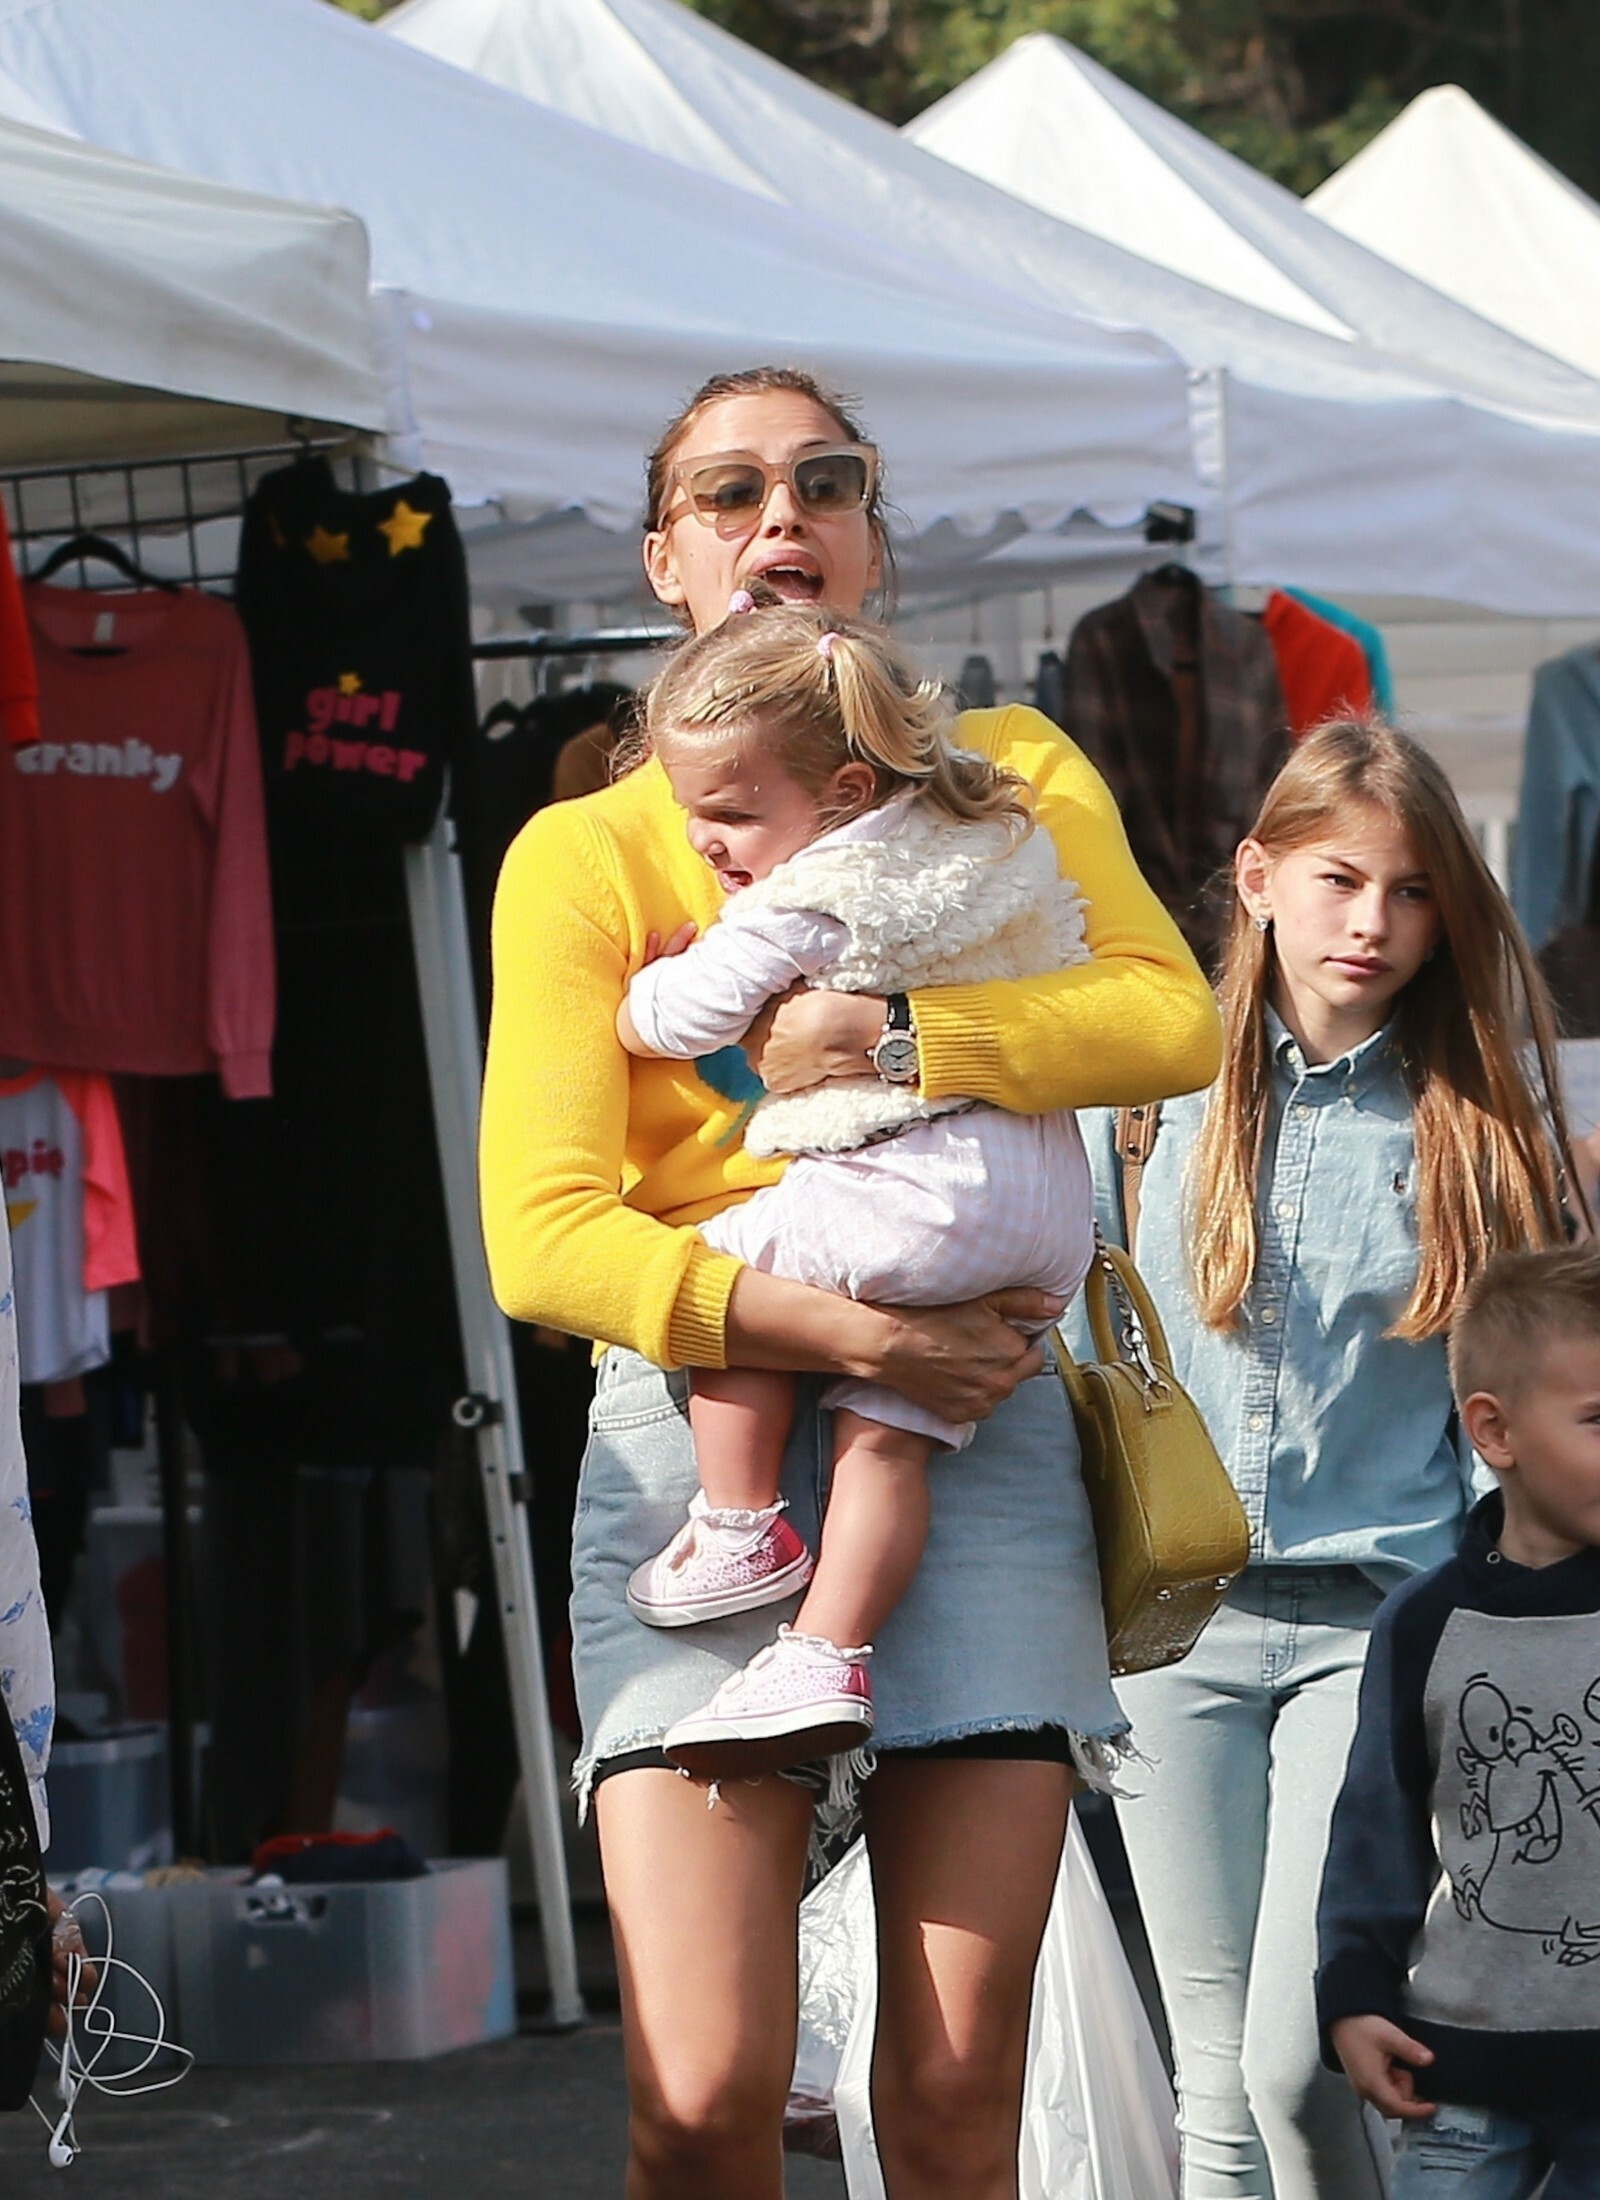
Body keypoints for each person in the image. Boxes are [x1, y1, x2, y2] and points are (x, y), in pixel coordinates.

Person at [479, 364, 1220, 2200]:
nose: (781, 515)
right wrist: (868, 1331)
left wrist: (892, 1031)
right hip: (714, 1439)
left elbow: (1167, 1018)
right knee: (704, 2099)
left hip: (980, 1440)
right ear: (664, 559)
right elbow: (542, 1235)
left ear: (874, 539)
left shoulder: (1007, 766)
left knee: (961, 2101)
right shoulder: (585, 848)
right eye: (728, 491)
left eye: (826, 478)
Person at [1078, 717, 1576, 2199]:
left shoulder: (1479, 1123)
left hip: (1379, 1628)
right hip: (1169, 1632)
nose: (1373, 921)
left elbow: (1520, 1414)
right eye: (1341, 880)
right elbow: (1066, 1351)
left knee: (1302, 2061)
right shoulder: (1144, 1093)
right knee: (1215, 2088)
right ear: (1258, 878)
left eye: (1413, 891)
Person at [617, 602, 1096, 1777]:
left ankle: (739, 1525)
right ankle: (826, 1650)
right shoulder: (989, 837)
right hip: (1037, 1206)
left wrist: (644, 986)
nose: (704, 839)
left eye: (732, 813)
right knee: (890, 1441)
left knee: (725, 1279)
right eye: (687, 811)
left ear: (840, 792)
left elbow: (683, 1020)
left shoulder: (817, 885)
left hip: (915, 1191)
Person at [1316, 1244, 1600, 2198]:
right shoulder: (1426, 1624)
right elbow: (1376, 1828)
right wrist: (1354, 1992)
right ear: (1495, 1430)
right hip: (1459, 2074)